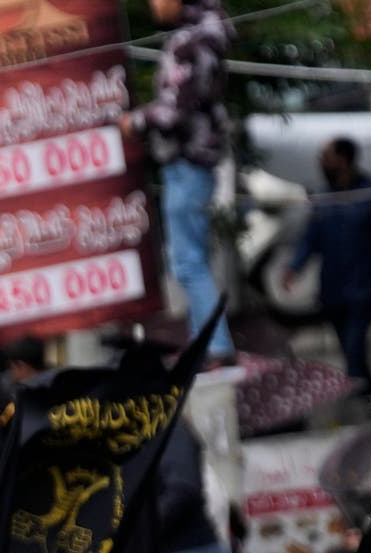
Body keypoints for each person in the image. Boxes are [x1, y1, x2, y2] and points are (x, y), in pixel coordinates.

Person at [135, 0, 237, 358]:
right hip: (194, 160)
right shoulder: (202, 35)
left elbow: (172, 111)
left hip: (187, 161)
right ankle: (205, 343)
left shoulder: (190, 43)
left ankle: (214, 346)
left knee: (188, 262)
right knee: (193, 260)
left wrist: (133, 121)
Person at [288, 138, 371, 387]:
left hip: (364, 289)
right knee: (350, 352)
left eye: (326, 156)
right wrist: (294, 267)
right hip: (333, 290)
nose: (321, 161)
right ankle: (370, 390)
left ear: (343, 159)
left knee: (354, 350)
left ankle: (361, 400)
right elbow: (311, 239)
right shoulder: (323, 197)